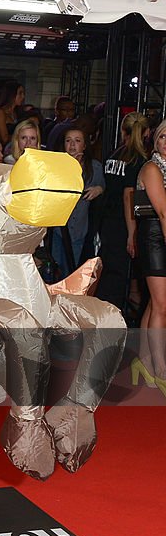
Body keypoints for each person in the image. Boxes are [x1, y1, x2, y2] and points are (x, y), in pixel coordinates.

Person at [96, 112, 149, 315]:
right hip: (122, 223)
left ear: (122, 130)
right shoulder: (138, 160)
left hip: (107, 220)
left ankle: (101, 316)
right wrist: (132, 232)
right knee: (117, 275)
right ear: (147, 133)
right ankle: (111, 320)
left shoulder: (113, 155)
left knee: (107, 271)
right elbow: (129, 196)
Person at [132, 121, 166, 396]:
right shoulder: (152, 168)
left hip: (158, 234)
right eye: (163, 135)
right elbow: (163, 212)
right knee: (162, 305)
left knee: (154, 304)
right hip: (156, 236)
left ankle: (143, 363)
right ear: (155, 140)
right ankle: (160, 369)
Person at [50, 127, 104, 274]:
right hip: (58, 229)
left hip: (81, 229)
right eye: (68, 141)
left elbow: (105, 191)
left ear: (85, 145)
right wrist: (70, 166)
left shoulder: (94, 167)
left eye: (77, 141)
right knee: (56, 269)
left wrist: (99, 189)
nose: (72, 145)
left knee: (74, 271)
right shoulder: (56, 165)